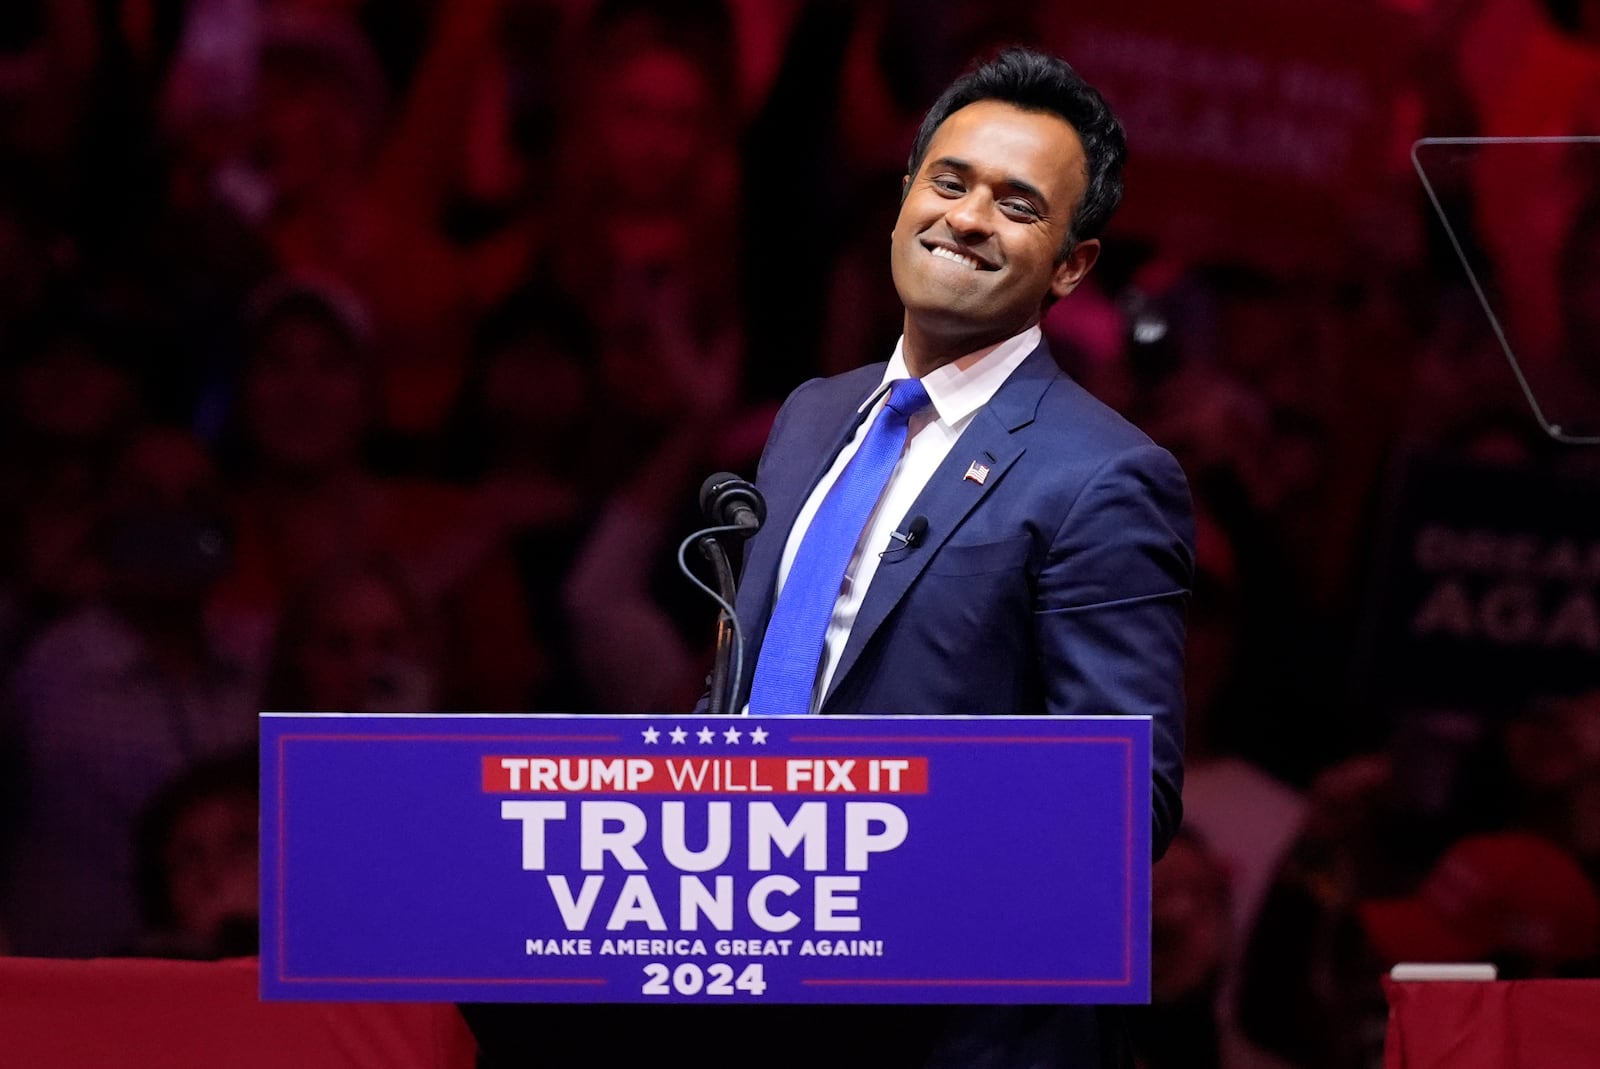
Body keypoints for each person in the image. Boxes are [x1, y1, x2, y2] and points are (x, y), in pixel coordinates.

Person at [469, 45, 1194, 1069]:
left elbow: (1123, 809)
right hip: (748, 1012)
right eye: (948, 181)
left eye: (1018, 204)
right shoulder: (807, 420)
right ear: (903, 201)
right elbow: (753, 705)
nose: (968, 218)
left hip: (952, 1036)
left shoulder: (1107, 476)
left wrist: (865, 836)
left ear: (1071, 266)